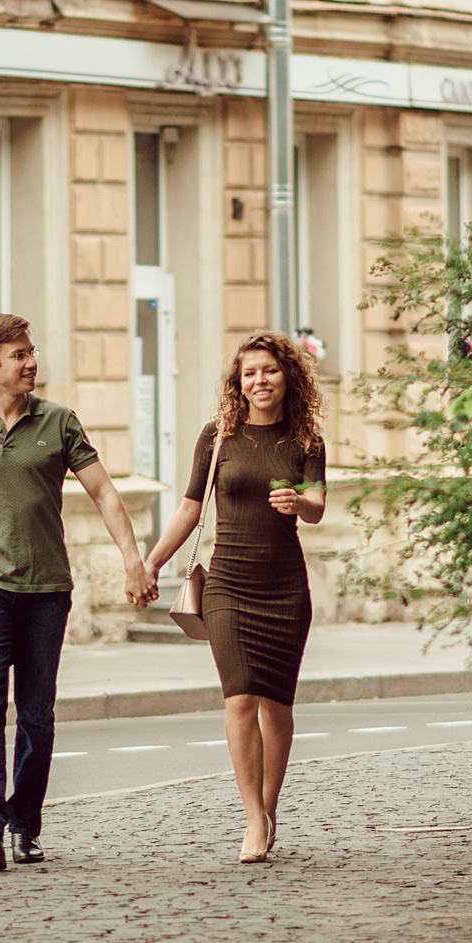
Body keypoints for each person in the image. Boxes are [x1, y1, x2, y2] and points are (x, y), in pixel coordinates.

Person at [0, 313, 153, 873]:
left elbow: (104, 493)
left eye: (31, 352)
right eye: (19, 355)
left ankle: (25, 825)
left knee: (36, 715)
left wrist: (133, 560)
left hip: (46, 589)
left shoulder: (59, 421)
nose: (32, 362)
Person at [145, 331, 326, 863]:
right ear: (238, 382)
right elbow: (189, 508)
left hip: (284, 587)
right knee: (240, 698)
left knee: (277, 705)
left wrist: (299, 502)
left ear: (287, 376)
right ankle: (252, 817)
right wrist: (151, 562)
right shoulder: (218, 436)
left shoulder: (305, 439)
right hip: (228, 584)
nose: (259, 380)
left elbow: (318, 504)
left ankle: (269, 808)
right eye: (250, 373)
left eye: (269, 370)